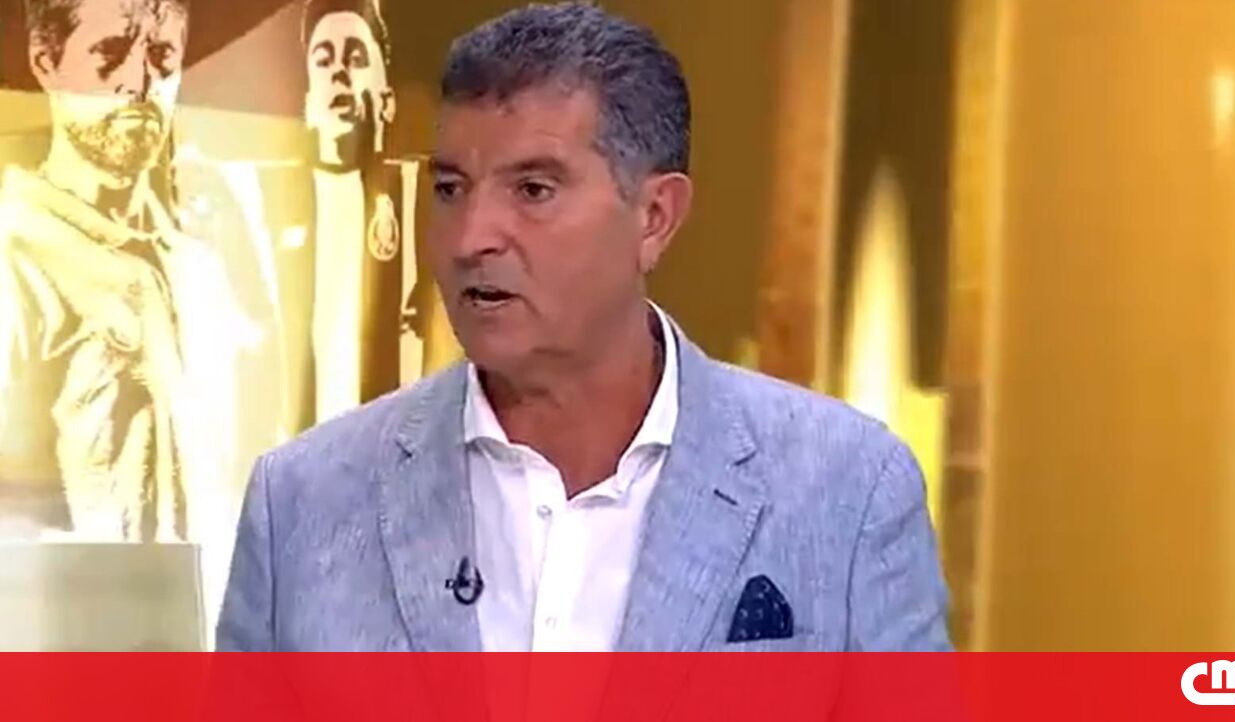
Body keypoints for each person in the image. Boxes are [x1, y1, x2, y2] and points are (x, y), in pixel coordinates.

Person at [218, 2, 951, 652]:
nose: (471, 236)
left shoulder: (846, 492)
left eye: (533, 189)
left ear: (654, 217)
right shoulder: (303, 504)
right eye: (450, 189)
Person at [0, 0, 243, 544]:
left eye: (163, 54)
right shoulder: (13, 253)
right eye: (109, 52)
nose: (140, 81)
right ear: (45, 61)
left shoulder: (197, 269)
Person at [265, 0, 427, 431]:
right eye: (324, 60)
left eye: (355, 59)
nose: (338, 73)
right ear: (307, 100)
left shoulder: (420, 197)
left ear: (386, 100)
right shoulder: (268, 203)